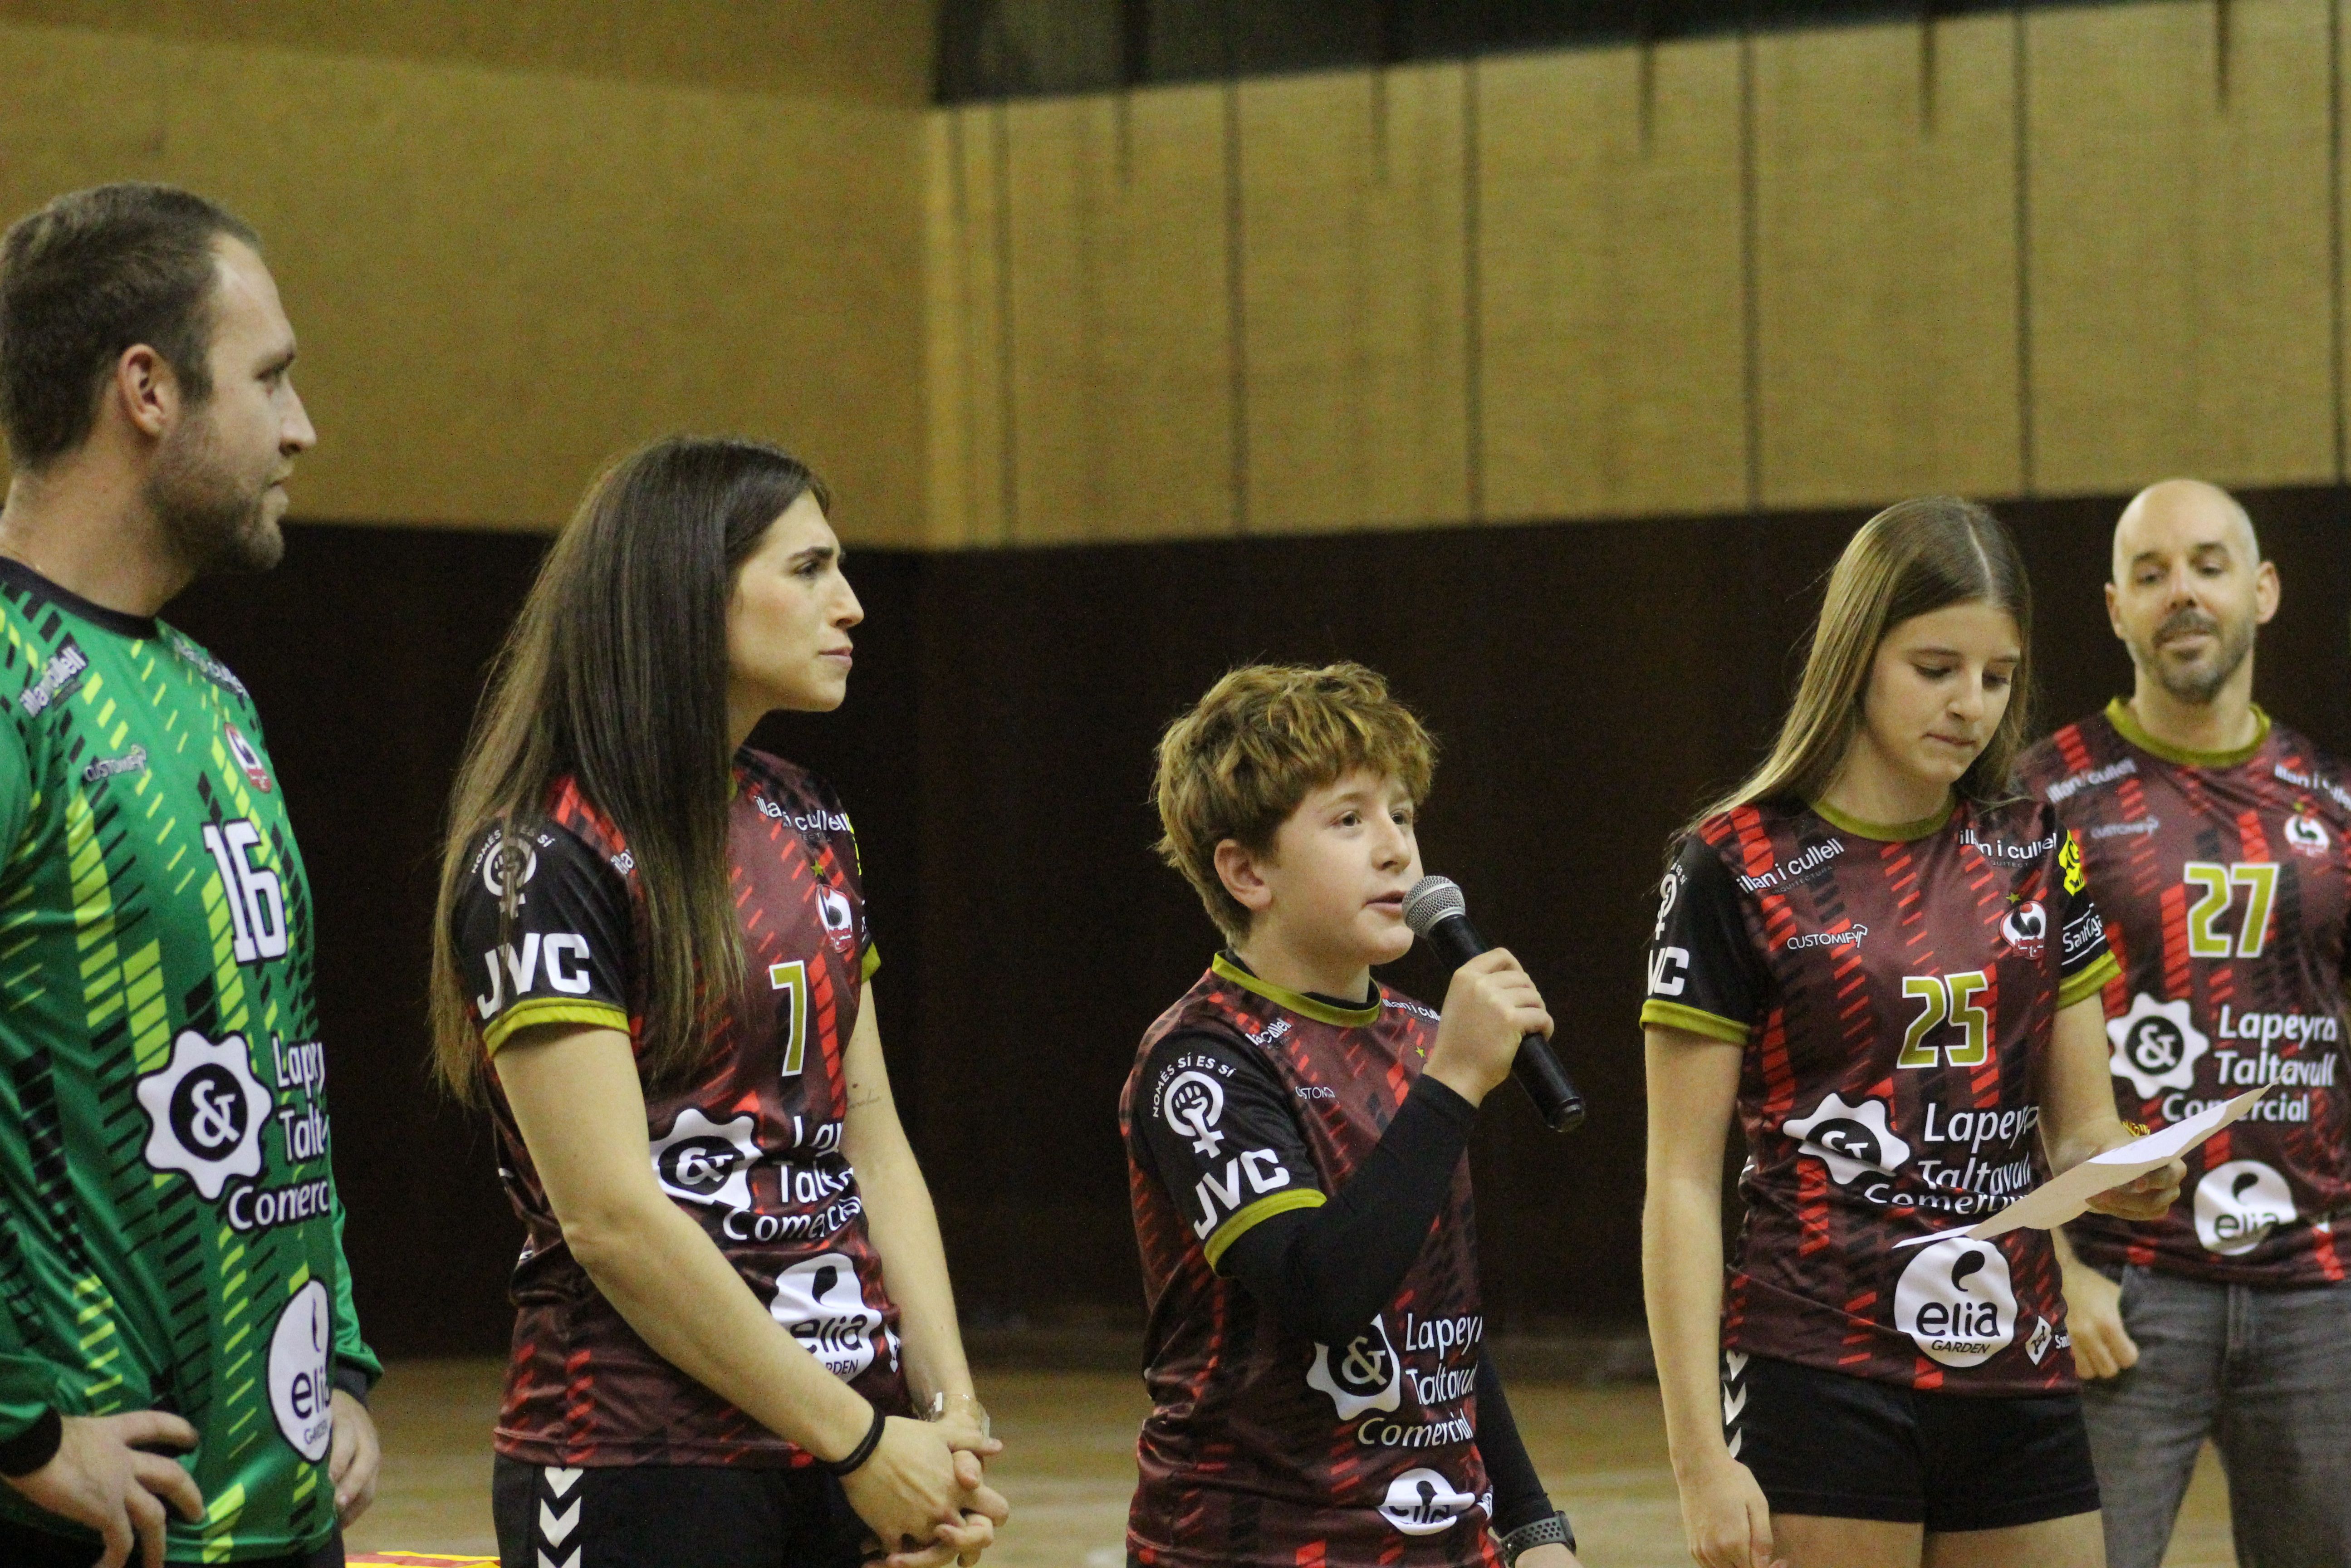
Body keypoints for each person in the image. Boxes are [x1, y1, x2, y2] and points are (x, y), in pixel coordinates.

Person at [427, 436, 1006, 1568]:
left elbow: (870, 1140)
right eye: (808, 570)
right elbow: (608, 1218)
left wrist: (950, 1426)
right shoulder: (543, 855)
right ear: (690, 588)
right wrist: (859, 1444)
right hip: (643, 1459)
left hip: (851, 1439)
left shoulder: (813, 818)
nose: (851, 605)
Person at [1641, 497, 2185, 1568]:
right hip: (1819, 1364)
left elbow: (2080, 1131)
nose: (1971, 705)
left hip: (2016, 1363)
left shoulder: (2038, 843)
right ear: (1857, 655)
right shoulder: (1731, 865)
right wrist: (1700, 1458)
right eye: (1936, 668)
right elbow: (1681, 1183)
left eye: (1997, 675)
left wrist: (2126, 1170)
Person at [0, 184, 382, 1567]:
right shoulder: (9, 682)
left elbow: (283, 1059)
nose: (302, 426)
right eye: (272, 378)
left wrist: (339, 1362)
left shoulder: (214, 695)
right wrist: (24, 1430)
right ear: (146, 389)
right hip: (89, 1516)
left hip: (277, 1509)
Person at [1121, 662, 1579, 1568]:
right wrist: (1451, 1086)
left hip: (1437, 1534)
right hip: (1260, 1541)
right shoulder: (1203, 1063)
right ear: (1248, 871)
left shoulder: (1421, 1038)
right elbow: (1322, 1290)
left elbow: (1439, 1324)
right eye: (1348, 820)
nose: (1396, 851)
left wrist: (1531, 1523)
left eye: (1402, 814)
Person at [2016, 479, 2351, 1568]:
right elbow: (1990, 1059)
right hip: (2120, 1285)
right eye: (2151, 574)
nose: (2183, 595)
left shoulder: (2334, 805)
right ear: (2114, 608)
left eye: (2207, 566)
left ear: (2261, 590)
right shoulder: (2041, 801)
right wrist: (2054, 1268)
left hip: (2319, 1296)